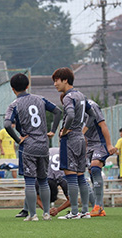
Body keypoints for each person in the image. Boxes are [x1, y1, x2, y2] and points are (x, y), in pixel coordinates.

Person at [4, 73, 62, 221]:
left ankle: (32, 214)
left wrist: (18, 139)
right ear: (28, 85)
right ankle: (46, 213)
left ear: (13, 89)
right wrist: (52, 131)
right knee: (43, 180)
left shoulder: (14, 105)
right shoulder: (40, 99)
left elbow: (6, 125)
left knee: (30, 181)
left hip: (28, 146)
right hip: (43, 145)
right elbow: (57, 111)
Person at [52, 67, 96, 220]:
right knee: (80, 176)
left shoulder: (69, 97)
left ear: (65, 80)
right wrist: (82, 130)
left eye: (57, 80)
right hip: (80, 139)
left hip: (70, 139)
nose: (55, 84)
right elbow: (93, 114)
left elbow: (70, 114)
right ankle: (85, 211)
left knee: (70, 176)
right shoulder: (81, 95)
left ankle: (75, 212)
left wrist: (64, 130)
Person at [83, 100, 117, 217]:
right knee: (91, 171)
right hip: (89, 145)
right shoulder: (74, 111)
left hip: (100, 143)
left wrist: (109, 145)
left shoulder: (92, 106)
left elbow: (103, 125)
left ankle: (97, 206)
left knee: (95, 166)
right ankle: (99, 208)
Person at [15, 148, 70, 218]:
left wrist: (54, 210)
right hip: (47, 156)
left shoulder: (62, 178)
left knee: (30, 186)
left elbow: (71, 200)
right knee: (31, 188)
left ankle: (27, 211)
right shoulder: (62, 178)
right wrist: (49, 210)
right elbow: (71, 200)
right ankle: (26, 210)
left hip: (44, 154)